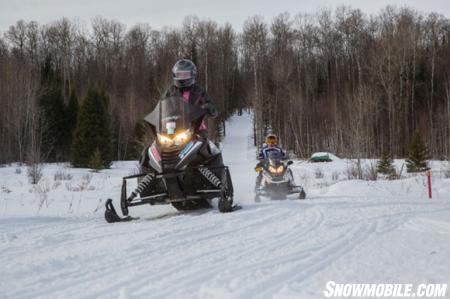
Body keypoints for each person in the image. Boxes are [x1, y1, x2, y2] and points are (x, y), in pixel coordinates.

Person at [163, 59, 217, 138]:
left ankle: (212, 150)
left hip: (196, 128)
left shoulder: (198, 91)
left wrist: (208, 108)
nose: (182, 77)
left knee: (205, 145)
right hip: (172, 129)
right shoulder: (171, 92)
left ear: (192, 74)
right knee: (154, 147)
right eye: (179, 75)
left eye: (185, 75)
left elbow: (211, 106)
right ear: (175, 75)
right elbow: (162, 105)